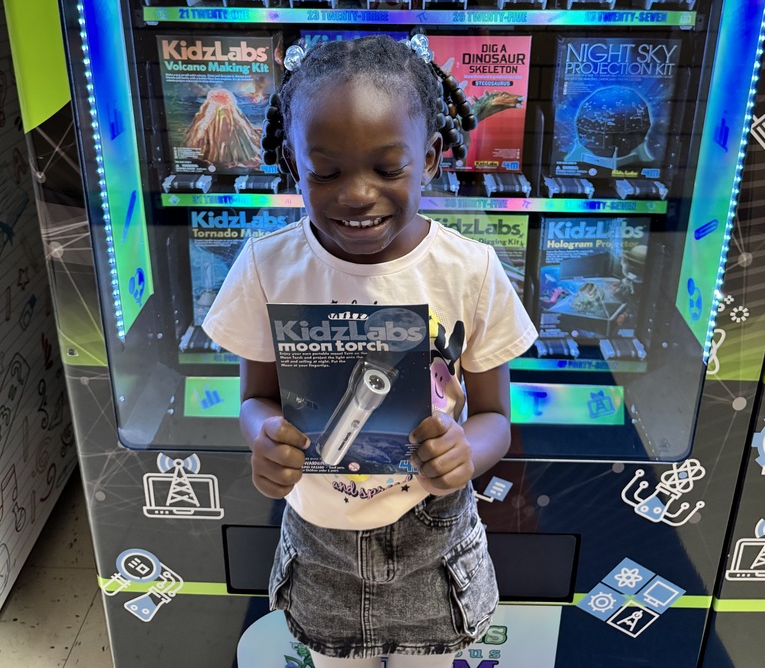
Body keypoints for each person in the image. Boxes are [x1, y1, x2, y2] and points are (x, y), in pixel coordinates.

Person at [203, 34, 537, 668]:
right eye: (325, 171)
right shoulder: (267, 268)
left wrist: (468, 452)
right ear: (293, 162)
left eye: (388, 168)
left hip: (433, 538)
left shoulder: (470, 271)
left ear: (432, 157)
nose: (357, 194)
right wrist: (264, 437)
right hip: (318, 542)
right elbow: (256, 398)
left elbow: (495, 415)